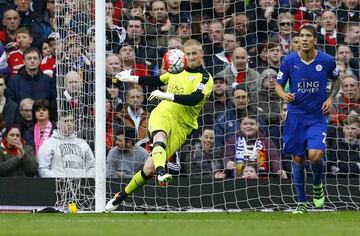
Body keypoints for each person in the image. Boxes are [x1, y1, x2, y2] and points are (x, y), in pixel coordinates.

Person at [106, 39, 213, 211]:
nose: (191, 57)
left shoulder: (206, 79)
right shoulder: (178, 70)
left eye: (194, 53)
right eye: (188, 53)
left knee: (148, 169)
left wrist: (167, 96)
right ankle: (162, 172)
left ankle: (121, 195)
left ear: (202, 54)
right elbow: (157, 79)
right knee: (160, 136)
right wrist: (130, 77)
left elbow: (195, 99)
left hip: (182, 125)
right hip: (163, 113)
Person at [274, 24, 341, 214]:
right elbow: (278, 84)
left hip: (316, 116)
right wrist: (283, 95)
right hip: (295, 117)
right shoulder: (289, 60)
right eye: (301, 36)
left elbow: (337, 80)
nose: (304, 39)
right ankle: (301, 203)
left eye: (308, 36)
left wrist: (330, 98)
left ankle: (318, 184)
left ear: (314, 40)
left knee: (315, 155)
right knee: (298, 158)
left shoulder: (327, 61)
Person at [37, 111, 95, 178]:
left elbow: (93, 166)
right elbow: (42, 168)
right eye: (66, 121)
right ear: (58, 124)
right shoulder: (48, 143)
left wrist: (85, 180)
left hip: (81, 186)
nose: (70, 124)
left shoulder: (82, 143)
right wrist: (58, 181)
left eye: (72, 121)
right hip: (58, 187)